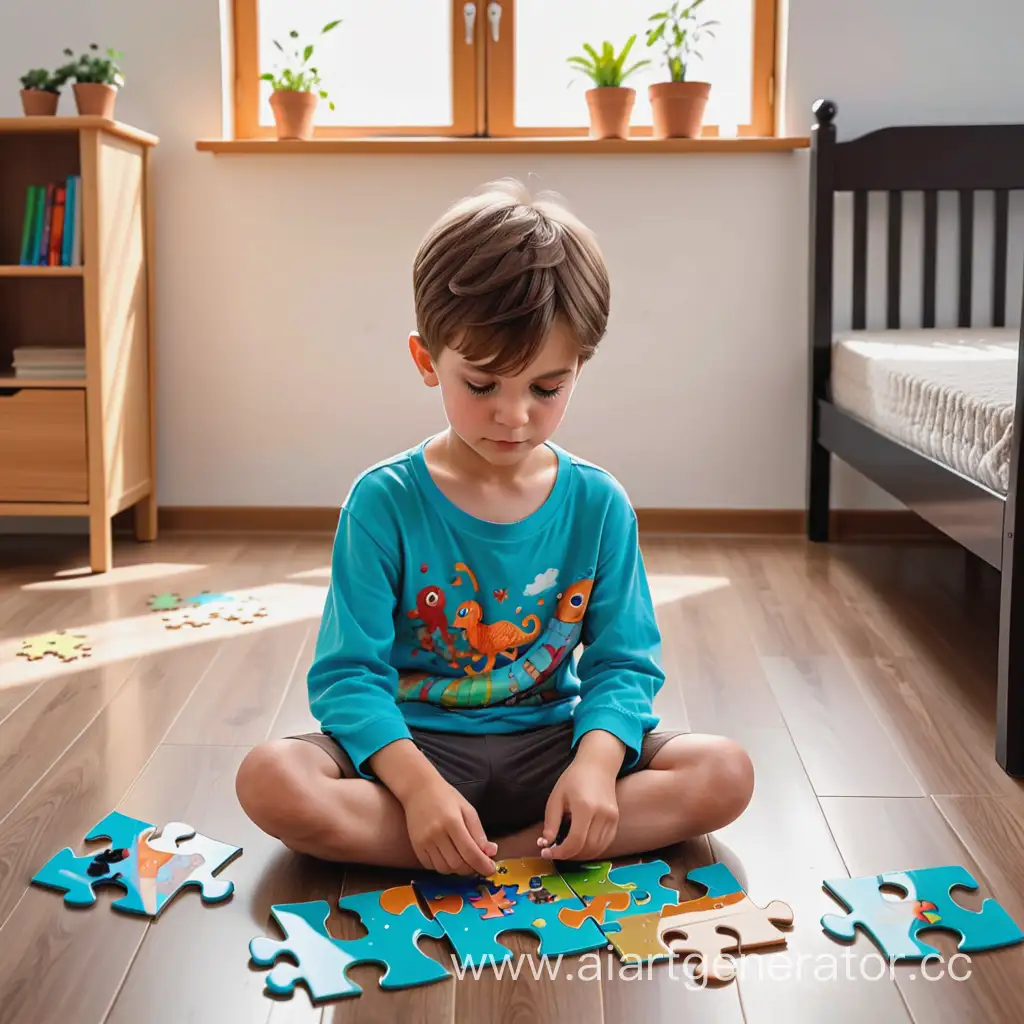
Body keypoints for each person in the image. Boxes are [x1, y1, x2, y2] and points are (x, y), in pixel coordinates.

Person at [236, 178, 754, 877]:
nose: (514, 416)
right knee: (271, 778)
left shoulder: (599, 504)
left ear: (579, 369)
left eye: (547, 388)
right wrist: (418, 789)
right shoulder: (383, 501)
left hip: (551, 745)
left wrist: (598, 767)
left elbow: (623, 664)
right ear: (428, 361)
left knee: (724, 771)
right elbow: (349, 678)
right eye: (482, 386)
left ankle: (488, 857)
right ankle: (508, 847)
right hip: (413, 748)